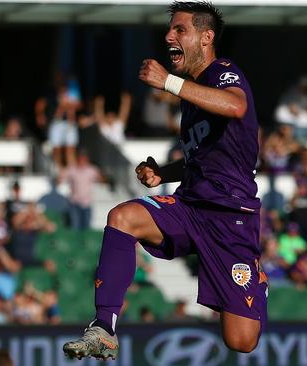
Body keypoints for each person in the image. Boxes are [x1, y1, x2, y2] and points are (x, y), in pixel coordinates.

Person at [63, 2, 267, 360]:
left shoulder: (223, 72)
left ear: (206, 38)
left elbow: (236, 107)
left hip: (230, 217)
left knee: (242, 341)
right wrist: (165, 173)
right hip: (190, 207)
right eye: (170, 29)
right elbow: (202, 158)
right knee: (122, 217)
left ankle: (258, 282)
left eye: (180, 30)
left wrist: (168, 83)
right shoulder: (192, 96)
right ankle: (105, 327)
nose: (169, 36)